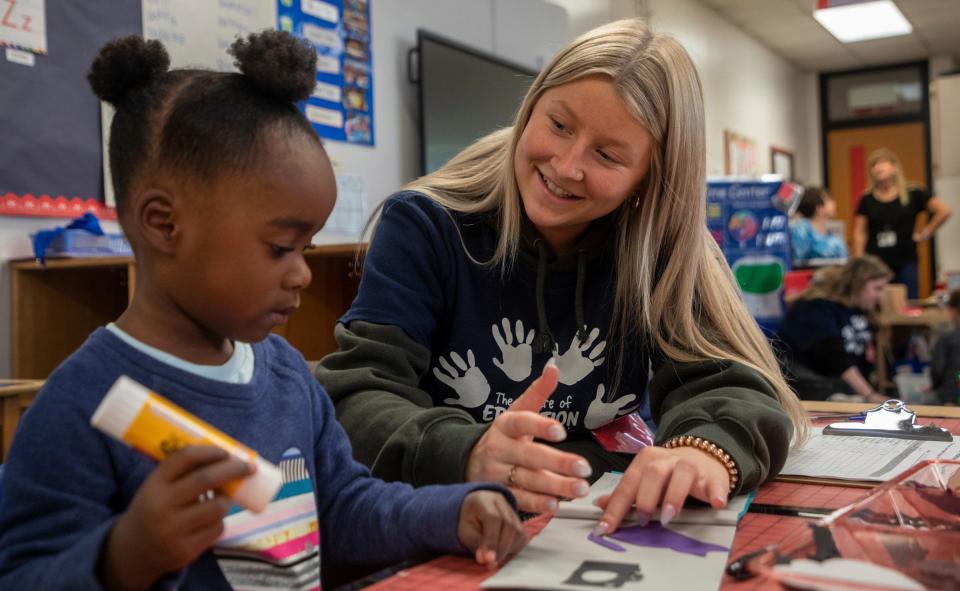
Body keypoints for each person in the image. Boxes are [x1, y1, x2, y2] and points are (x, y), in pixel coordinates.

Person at [0, 32, 526, 590]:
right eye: (280, 248)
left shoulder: (285, 375)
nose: (300, 273)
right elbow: (22, 574)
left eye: (308, 250)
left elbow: (345, 507)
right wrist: (126, 555)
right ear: (163, 224)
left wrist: (452, 513)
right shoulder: (80, 402)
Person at [317, 18, 808, 536]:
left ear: (649, 179)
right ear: (530, 109)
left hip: (598, 525)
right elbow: (357, 394)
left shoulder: (659, 245)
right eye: (558, 125)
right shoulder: (426, 226)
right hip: (454, 522)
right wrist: (468, 450)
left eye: (608, 155)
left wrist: (702, 450)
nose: (567, 166)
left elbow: (729, 382)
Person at [778, 256, 893, 403]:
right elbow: (834, 356)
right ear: (858, 284)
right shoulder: (816, 308)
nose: (880, 295)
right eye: (877, 288)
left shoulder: (857, 308)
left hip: (841, 385)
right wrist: (869, 395)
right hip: (810, 386)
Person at [852, 148, 951, 298]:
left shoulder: (914, 193)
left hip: (905, 261)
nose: (878, 167)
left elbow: (943, 211)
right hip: (875, 263)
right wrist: (859, 259)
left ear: (895, 167)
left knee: (908, 302)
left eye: (882, 163)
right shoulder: (867, 199)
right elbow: (860, 231)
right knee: (877, 303)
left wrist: (925, 233)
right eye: (874, 165)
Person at [790, 186, 847, 264]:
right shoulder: (801, 230)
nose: (834, 202)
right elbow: (797, 262)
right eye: (829, 200)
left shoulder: (831, 232)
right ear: (819, 208)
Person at [930, 288, 960, 405]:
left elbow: (937, 370)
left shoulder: (948, 338)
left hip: (950, 398)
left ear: (953, 311)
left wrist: (935, 386)